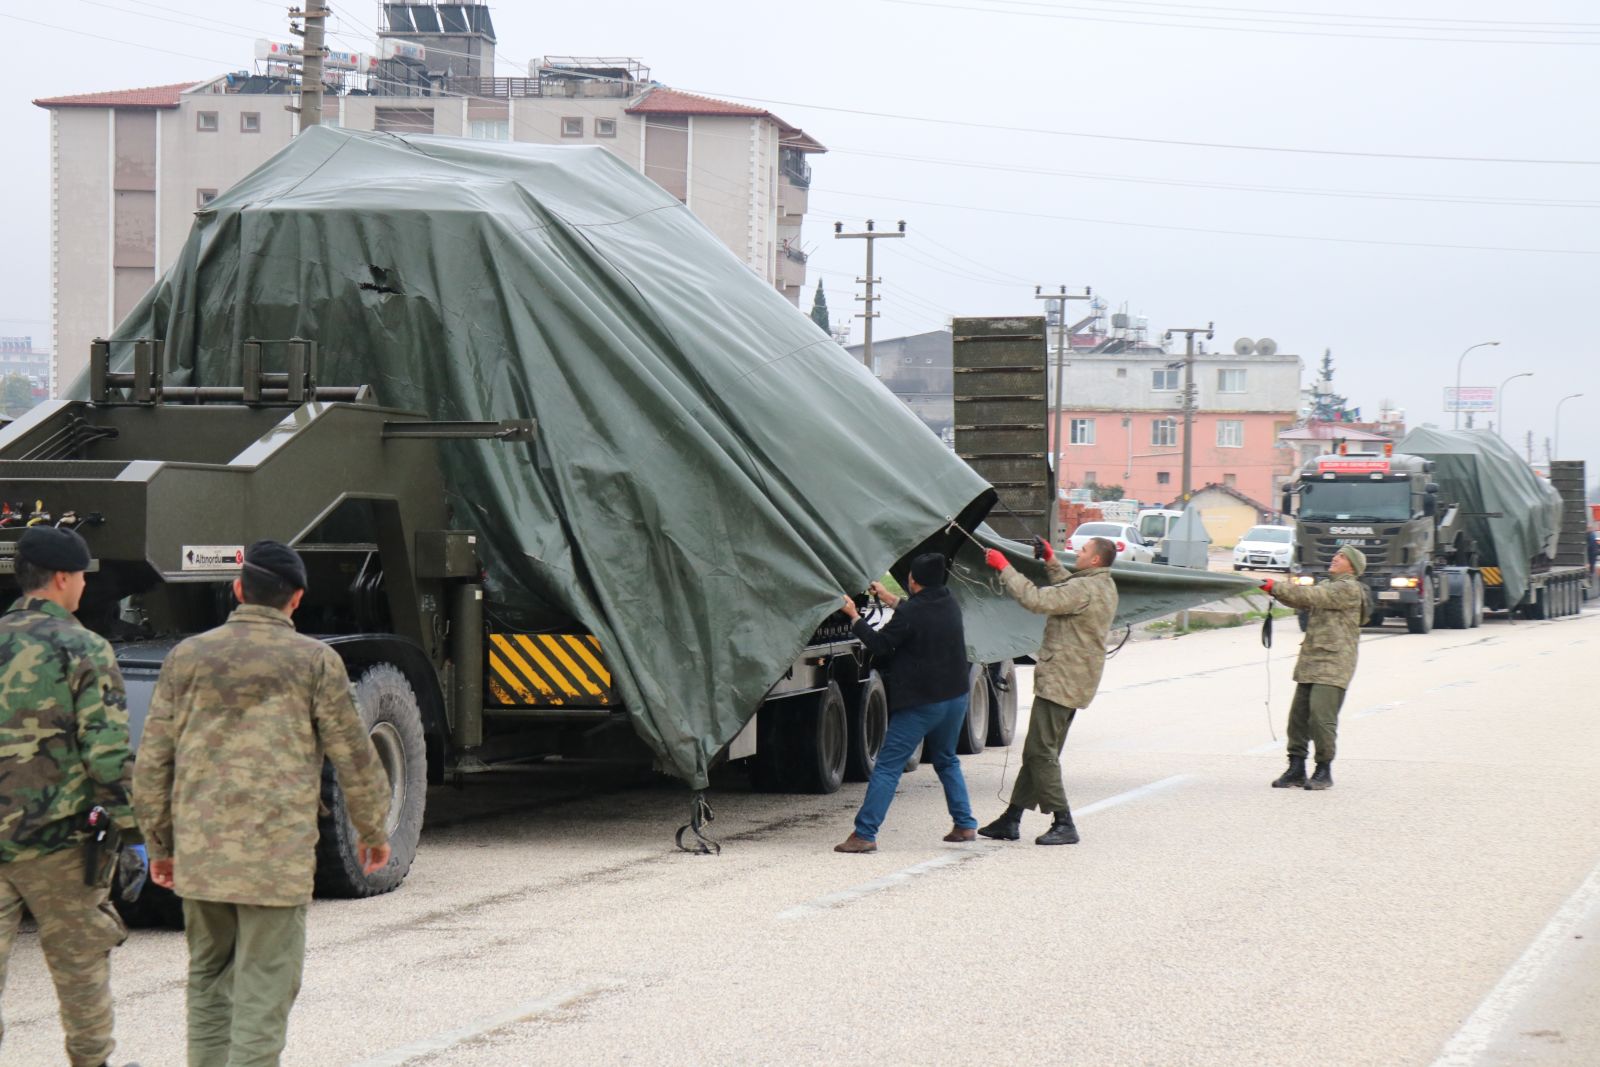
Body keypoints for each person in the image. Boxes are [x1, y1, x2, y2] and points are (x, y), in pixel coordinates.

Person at [132, 540, 392, 1067]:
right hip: (276, 856)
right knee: (264, 987)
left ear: (236, 589)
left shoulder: (188, 657)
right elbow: (355, 756)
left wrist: (158, 843)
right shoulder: (315, 660)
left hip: (201, 853)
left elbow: (153, 758)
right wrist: (373, 831)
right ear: (295, 599)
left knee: (208, 978)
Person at [0, 526, 139, 1067]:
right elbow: (106, 758)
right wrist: (134, 834)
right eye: (82, 575)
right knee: (81, 972)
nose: (83, 585)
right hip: (57, 846)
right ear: (62, 579)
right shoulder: (85, 647)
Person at [977, 535, 1118, 846]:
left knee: (1042, 752)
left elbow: (1037, 600)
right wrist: (1050, 561)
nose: (1077, 554)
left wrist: (1004, 567)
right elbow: (1068, 590)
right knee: (1037, 752)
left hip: (1061, 682)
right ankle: (1011, 819)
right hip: (1074, 681)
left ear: (1095, 560)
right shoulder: (1102, 585)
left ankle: (1063, 821)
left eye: (1082, 551)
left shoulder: (1083, 588)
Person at [833, 553, 977, 853]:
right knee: (946, 760)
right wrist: (888, 598)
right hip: (955, 696)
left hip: (922, 702)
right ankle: (964, 824)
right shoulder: (949, 601)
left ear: (913, 580)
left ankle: (864, 834)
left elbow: (881, 645)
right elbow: (917, 614)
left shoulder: (912, 615)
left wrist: (854, 617)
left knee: (887, 766)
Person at [1260, 544, 1369, 791]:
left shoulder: (1349, 588)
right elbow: (1302, 599)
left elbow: (1309, 596)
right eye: (1337, 554)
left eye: (1342, 556)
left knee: (1321, 718)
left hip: (1335, 664)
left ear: (1352, 566)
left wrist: (1274, 586)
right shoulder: (1329, 586)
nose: (1335, 557)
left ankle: (1323, 770)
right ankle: (1296, 768)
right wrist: (1274, 591)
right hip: (1312, 661)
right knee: (1297, 718)